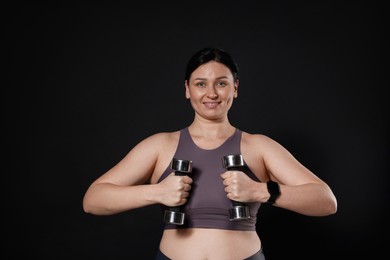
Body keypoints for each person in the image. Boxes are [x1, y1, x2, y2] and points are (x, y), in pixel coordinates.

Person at [82, 47, 338, 259]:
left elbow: (326, 202)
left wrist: (260, 190)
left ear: (235, 88)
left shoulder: (258, 146)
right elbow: (93, 200)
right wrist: (156, 192)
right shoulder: (160, 146)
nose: (212, 93)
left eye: (221, 83)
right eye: (201, 83)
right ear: (187, 89)